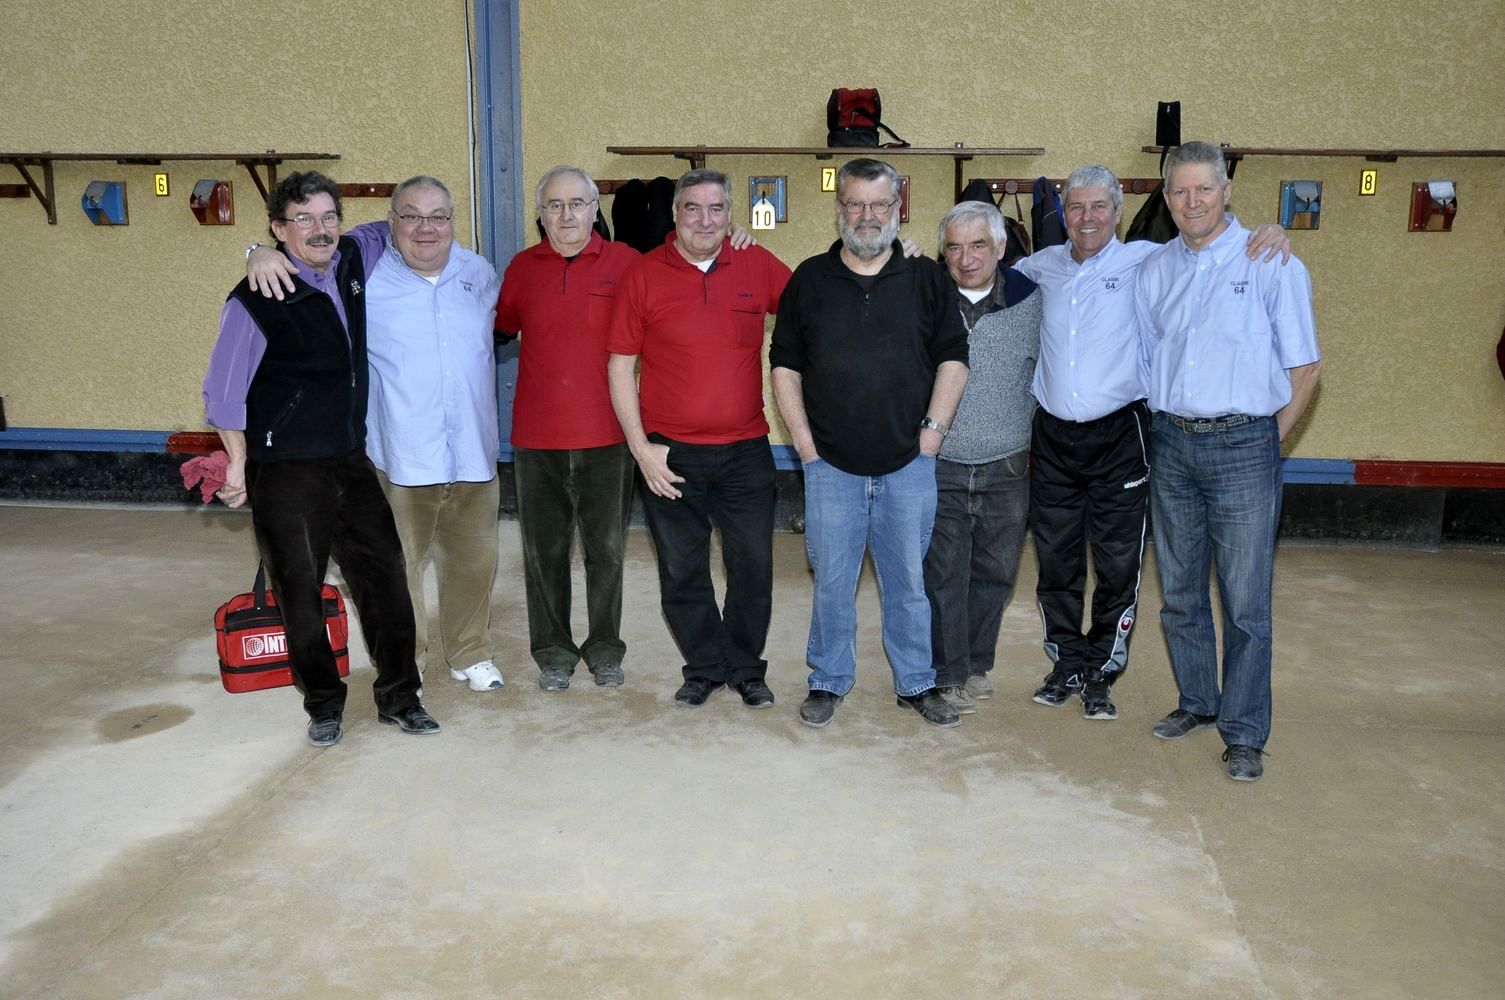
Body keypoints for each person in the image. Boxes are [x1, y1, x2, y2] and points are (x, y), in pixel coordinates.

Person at [1011, 165, 1289, 721]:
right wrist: (917, 252)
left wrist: (1273, 231)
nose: (1087, 218)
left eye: (1099, 207)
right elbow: (972, 269)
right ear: (1062, 215)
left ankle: (1101, 669)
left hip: (1122, 434)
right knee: (1056, 561)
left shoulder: (1148, 261)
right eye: (1076, 207)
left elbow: (1206, 245)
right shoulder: (1037, 268)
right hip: (1053, 436)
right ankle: (1066, 662)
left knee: (1118, 563)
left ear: (1118, 213)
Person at [203, 171, 438, 746]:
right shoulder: (254, 298)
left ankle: (400, 697)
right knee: (299, 593)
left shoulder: (352, 255)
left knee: (386, 582)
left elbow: (391, 224)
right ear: (279, 228)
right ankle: (324, 706)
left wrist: (256, 246)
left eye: (329, 216)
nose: (320, 229)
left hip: (350, 460)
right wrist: (237, 463)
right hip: (286, 470)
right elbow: (223, 394)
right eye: (303, 219)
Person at [247, 177, 506, 696]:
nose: (426, 228)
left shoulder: (479, 272)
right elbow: (309, 247)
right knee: (396, 572)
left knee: (474, 565)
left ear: (453, 221)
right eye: (411, 215)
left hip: (473, 454)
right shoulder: (361, 274)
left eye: (438, 216)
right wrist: (258, 251)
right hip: (401, 458)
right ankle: (408, 662)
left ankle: (470, 652)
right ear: (390, 223)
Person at [1135, 141, 1322, 782]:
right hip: (1172, 443)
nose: (1192, 202)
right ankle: (1197, 701)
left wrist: (1268, 441)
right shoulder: (1155, 269)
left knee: (1245, 604)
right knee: (1181, 592)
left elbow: (1306, 368)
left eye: (1204, 189)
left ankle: (1244, 733)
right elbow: (1148, 358)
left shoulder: (1271, 262)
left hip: (1245, 446)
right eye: (1180, 191)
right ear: (1166, 198)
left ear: (1227, 192)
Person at [770, 157, 970, 729]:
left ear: (896, 207)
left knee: (908, 583)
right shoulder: (809, 280)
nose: (867, 215)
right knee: (832, 582)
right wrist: (805, 449)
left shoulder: (927, 278)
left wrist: (931, 438)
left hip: (909, 464)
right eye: (855, 203)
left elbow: (954, 359)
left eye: (879, 204)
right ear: (840, 208)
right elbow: (784, 367)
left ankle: (916, 682)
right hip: (830, 465)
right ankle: (828, 679)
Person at [606, 168, 791, 710]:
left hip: (746, 451)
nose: (704, 220)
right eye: (693, 208)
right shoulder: (643, 275)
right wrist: (641, 449)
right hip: (671, 453)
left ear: (731, 214)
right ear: (675, 214)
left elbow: (822, 302)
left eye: (716, 209)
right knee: (682, 570)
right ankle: (705, 667)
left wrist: (896, 258)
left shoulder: (757, 264)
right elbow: (619, 366)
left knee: (753, 568)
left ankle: (745, 668)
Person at [496, 166, 641, 691]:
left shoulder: (628, 264)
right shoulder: (521, 268)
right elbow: (498, 327)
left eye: (577, 203)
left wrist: (735, 236)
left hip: (609, 438)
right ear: (540, 214)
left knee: (607, 555)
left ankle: (605, 649)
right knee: (544, 556)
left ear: (595, 209)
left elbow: (687, 266)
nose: (566, 215)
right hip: (537, 441)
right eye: (554, 205)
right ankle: (553, 653)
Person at [923, 201, 1041, 716]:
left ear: (1000, 247)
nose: (965, 257)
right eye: (953, 247)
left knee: (996, 573)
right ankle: (948, 673)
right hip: (940, 462)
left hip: (1007, 463)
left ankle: (975, 663)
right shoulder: (925, 297)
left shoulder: (1032, 300)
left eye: (978, 245)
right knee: (943, 573)